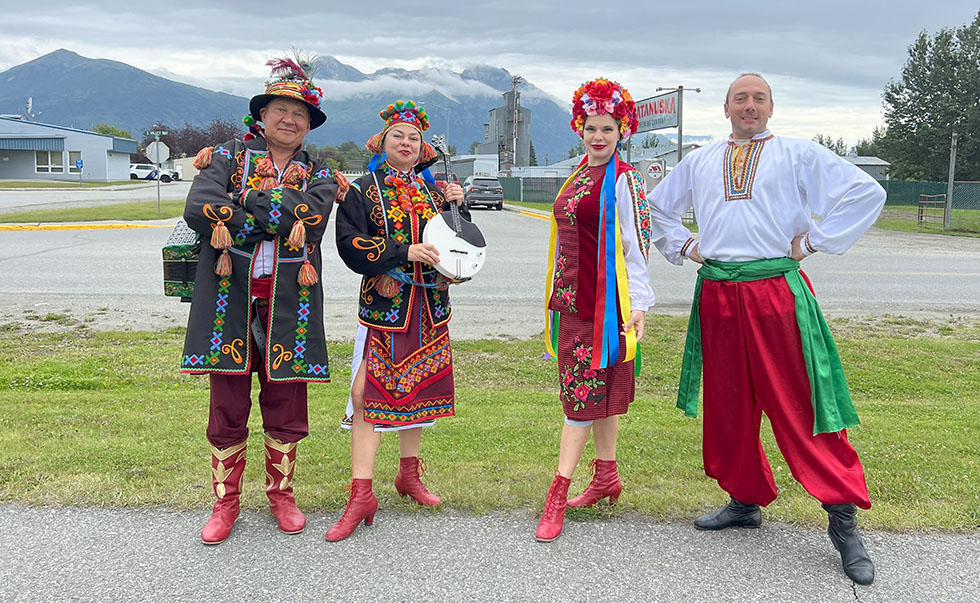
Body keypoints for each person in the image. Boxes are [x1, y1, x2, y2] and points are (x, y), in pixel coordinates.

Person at [648, 73, 885, 585]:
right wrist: (686, 248)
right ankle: (744, 498)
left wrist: (813, 241)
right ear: (726, 109)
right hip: (717, 294)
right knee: (730, 402)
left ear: (772, 108)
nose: (749, 106)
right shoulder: (701, 159)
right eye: (740, 99)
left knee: (802, 402)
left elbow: (865, 192)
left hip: (776, 292)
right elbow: (657, 208)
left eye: (758, 99)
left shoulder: (799, 153)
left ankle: (843, 518)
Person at [179, 53, 346, 545]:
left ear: (308, 126)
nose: (290, 120)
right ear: (262, 116)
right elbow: (198, 208)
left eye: (300, 115)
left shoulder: (320, 173)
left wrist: (245, 205)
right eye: (280, 111)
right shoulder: (225, 158)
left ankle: (282, 495)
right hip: (228, 302)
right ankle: (224, 503)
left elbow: (311, 220)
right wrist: (274, 211)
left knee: (287, 403)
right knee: (226, 404)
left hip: (289, 304)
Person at [329, 100, 467, 542]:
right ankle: (360, 493)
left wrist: (460, 210)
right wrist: (400, 253)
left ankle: (408, 475)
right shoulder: (361, 190)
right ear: (382, 142)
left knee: (417, 390)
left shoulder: (434, 192)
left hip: (429, 309)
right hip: (385, 309)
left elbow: (459, 246)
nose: (406, 143)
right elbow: (350, 246)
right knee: (367, 392)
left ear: (423, 148)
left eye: (414, 138)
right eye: (398, 136)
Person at [536, 78, 655, 542]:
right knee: (593, 393)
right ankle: (606, 477)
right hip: (571, 303)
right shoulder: (577, 175)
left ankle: (557, 494)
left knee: (581, 401)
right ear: (579, 130)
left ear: (621, 130)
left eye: (607, 128)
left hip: (604, 306)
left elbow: (635, 247)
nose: (598, 136)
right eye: (591, 128)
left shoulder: (625, 180)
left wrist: (639, 306)